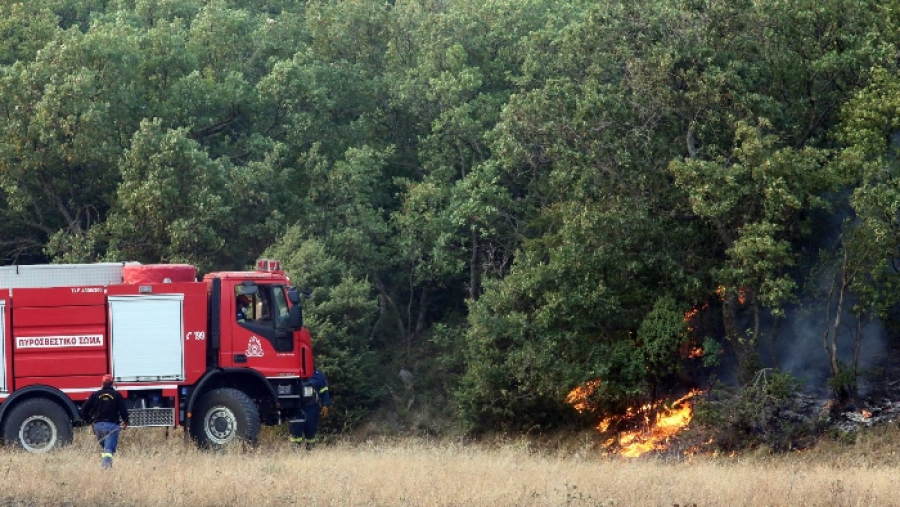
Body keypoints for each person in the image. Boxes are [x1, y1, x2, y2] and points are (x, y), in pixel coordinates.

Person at [80, 374, 129, 469]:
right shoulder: (117, 395)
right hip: (112, 427)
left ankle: (107, 466)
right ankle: (106, 469)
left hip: (98, 427)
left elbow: (83, 410)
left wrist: (90, 421)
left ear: (102, 383)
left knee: (106, 448)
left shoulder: (95, 395)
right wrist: (125, 422)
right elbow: (123, 411)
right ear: (112, 383)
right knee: (108, 450)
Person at [290, 369, 331, 450]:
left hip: (312, 408)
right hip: (297, 408)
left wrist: (325, 405)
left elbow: (324, 391)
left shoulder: (318, 375)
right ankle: (295, 452)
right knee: (296, 431)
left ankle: (310, 451)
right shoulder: (293, 372)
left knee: (311, 430)